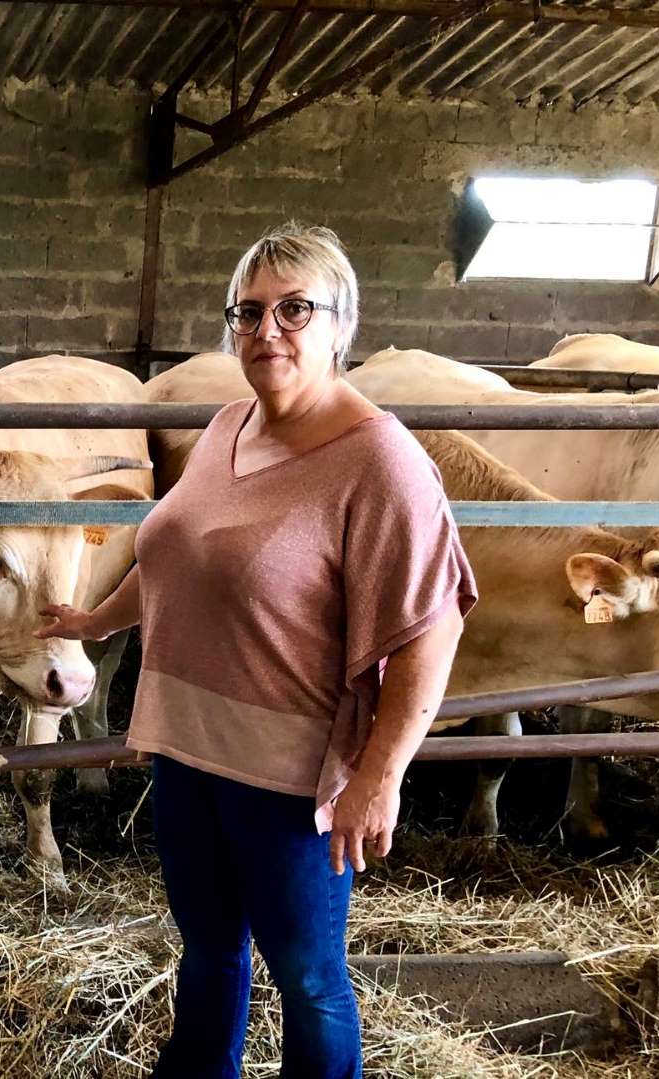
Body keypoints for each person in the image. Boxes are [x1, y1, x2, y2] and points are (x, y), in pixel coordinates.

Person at [38, 223, 474, 1078]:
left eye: (294, 309)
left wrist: (380, 776)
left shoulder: (379, 459)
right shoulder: (228, 423)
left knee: (309, 978)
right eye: (249, 312)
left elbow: (434, 624)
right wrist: (95, 622)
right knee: (207, 952)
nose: (267, 330)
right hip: (186, 748)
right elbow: (178, 562)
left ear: (339, 323)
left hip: (290, 780)